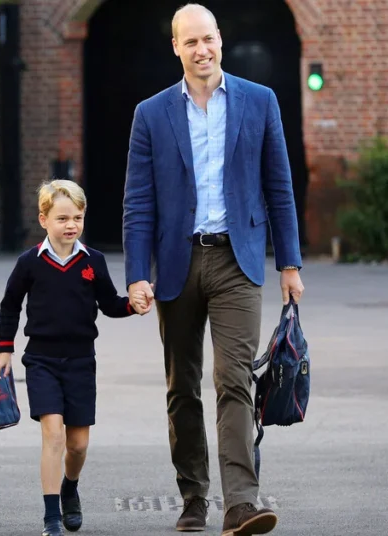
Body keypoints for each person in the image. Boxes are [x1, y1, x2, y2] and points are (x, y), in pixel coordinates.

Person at [122, 4, 306, 536]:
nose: (202, 50)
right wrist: (138, 274)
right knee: (183, 386)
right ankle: (194, 496)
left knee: (235, 380)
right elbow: (138, 203)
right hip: (177, 263)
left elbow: (280, 187)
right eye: (190, 42)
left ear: (220, 40)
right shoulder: (151, 114)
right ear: (175, 48)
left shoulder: (259, 100)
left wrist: (289, 263)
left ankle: (241, 504)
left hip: (237, 259)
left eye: (209, 39)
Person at [0, 179, 139, 536]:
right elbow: (10, 306)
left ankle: (70, 487)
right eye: (62, 218)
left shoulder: (94, 262)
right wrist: (5, 348)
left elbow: (110, 304)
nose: (71, 225)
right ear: (43, 219)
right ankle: (51, 515)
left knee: (78, 444)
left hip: (81, 362)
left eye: (78, 218)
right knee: (53, 436)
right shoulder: (29, 263)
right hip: (41, 361)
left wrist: (133, 305)